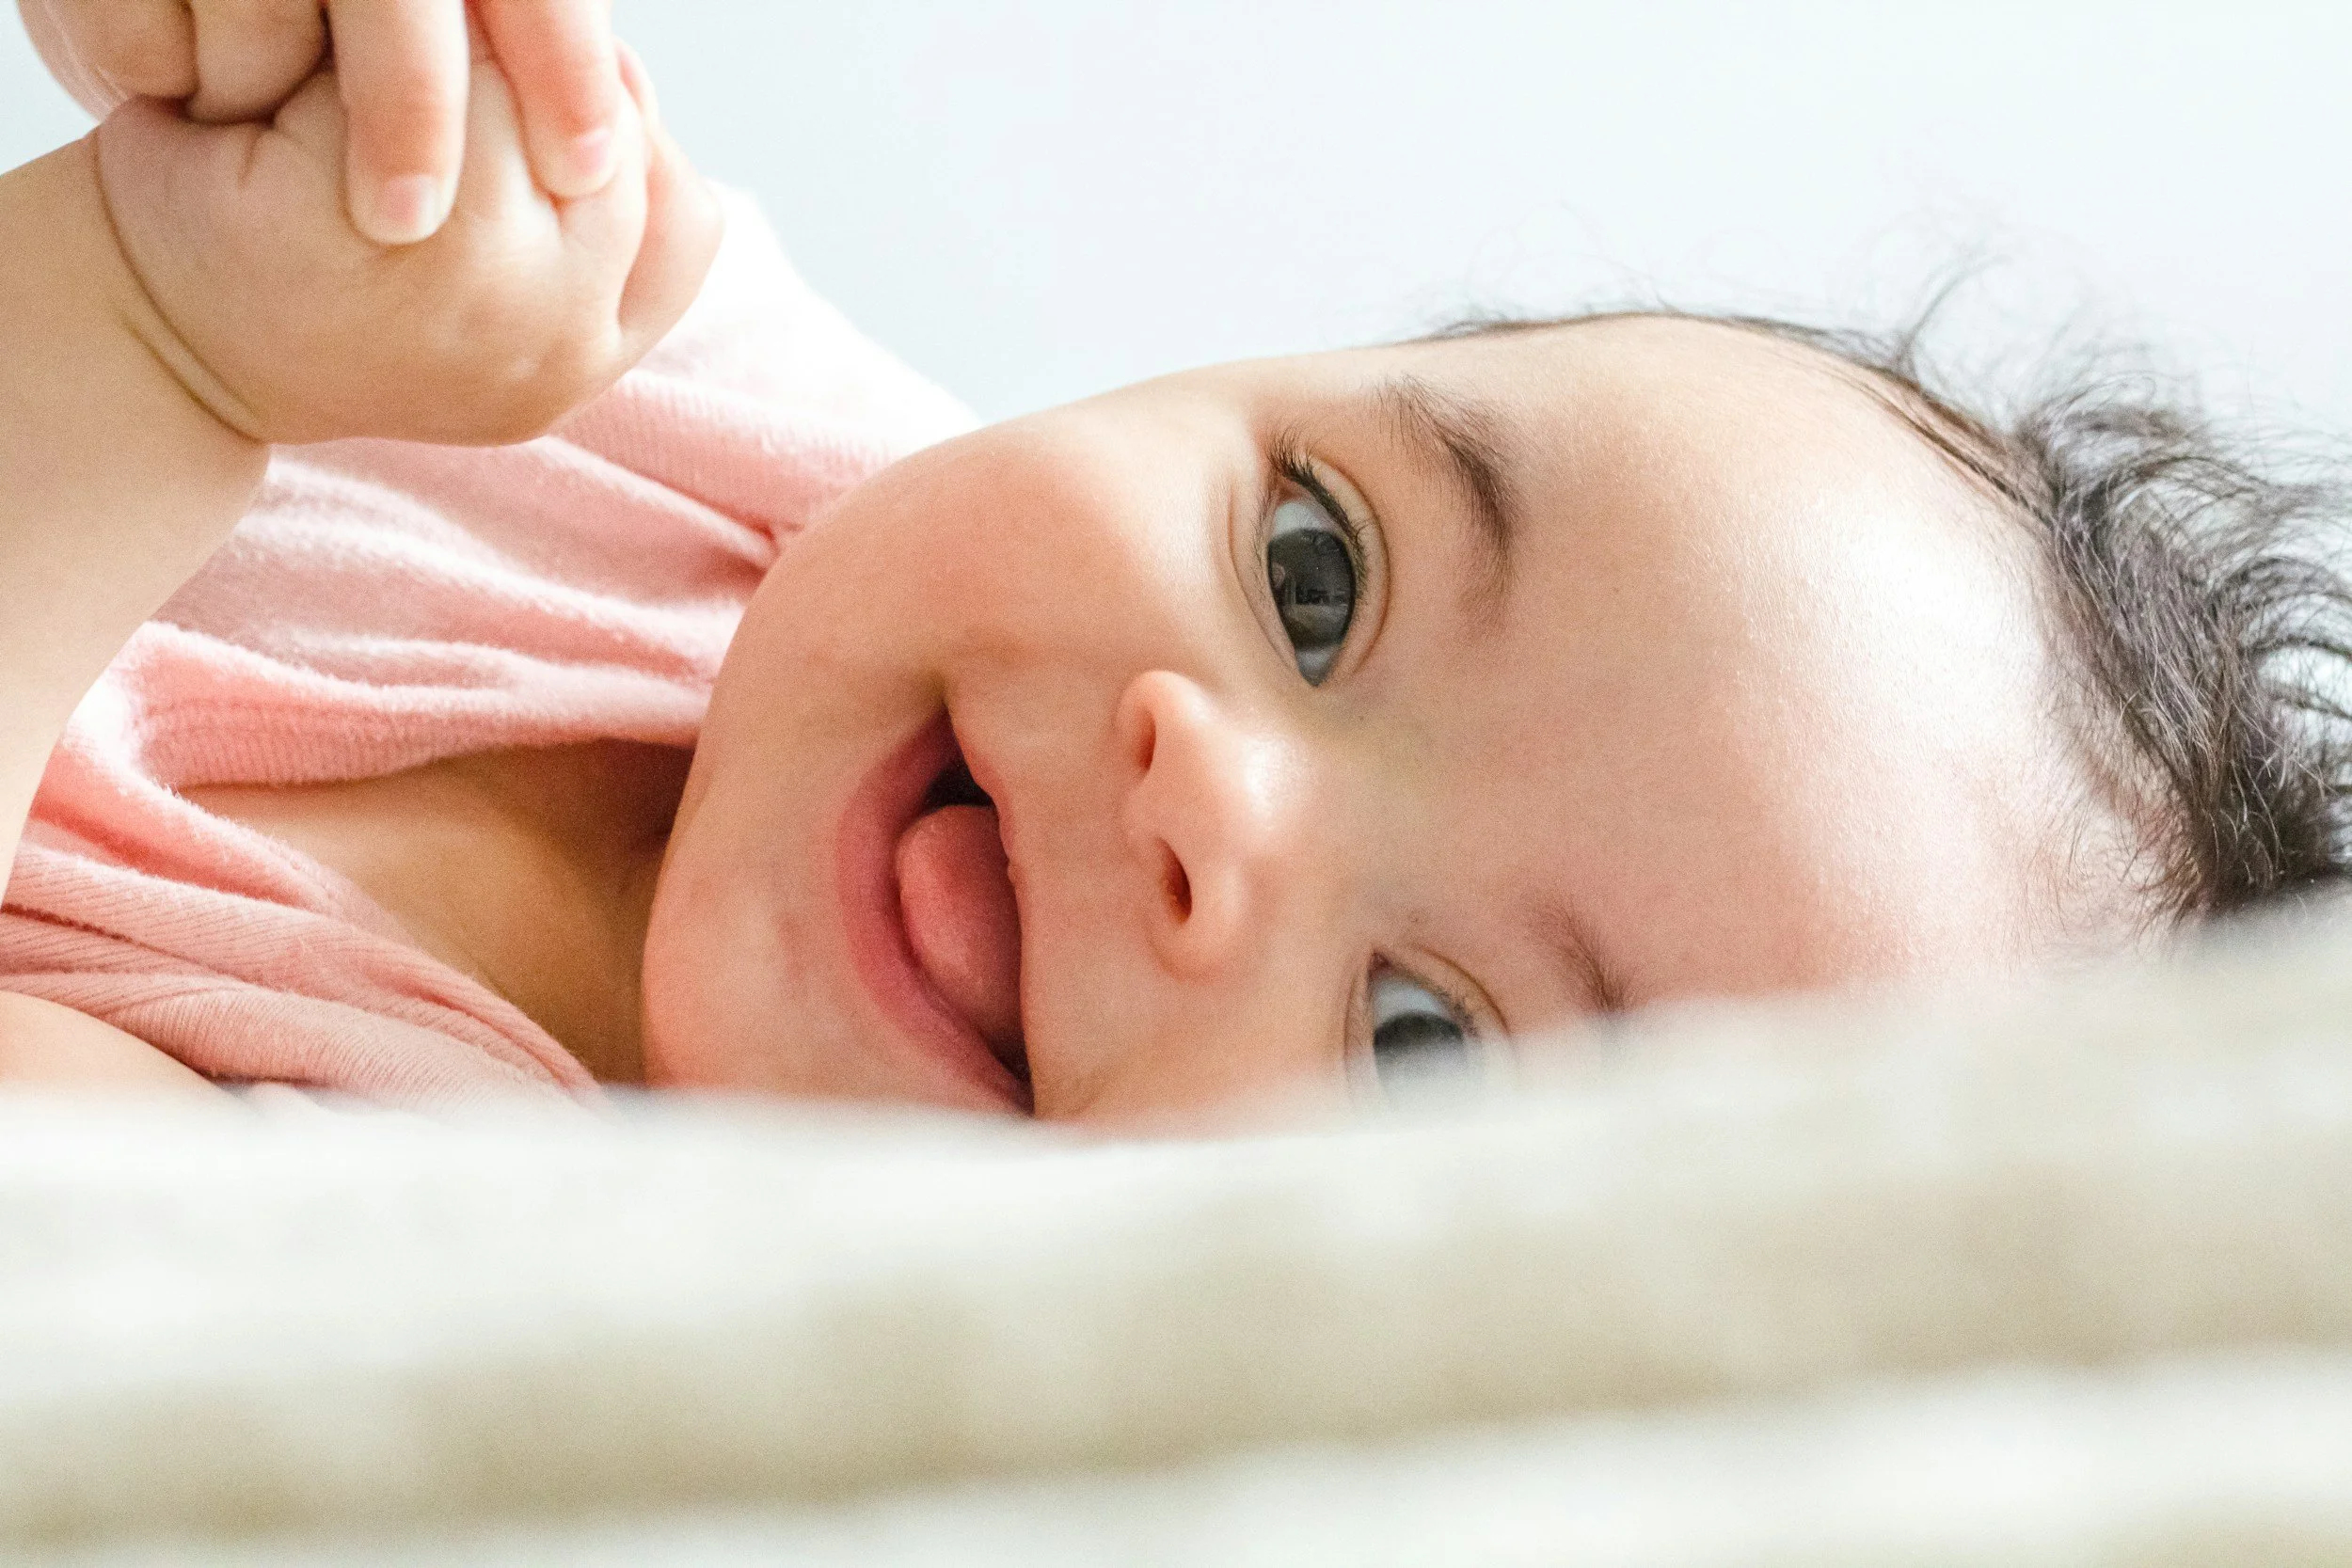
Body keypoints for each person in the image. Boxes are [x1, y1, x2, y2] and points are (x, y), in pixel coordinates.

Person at [2, 2, 2344, 1124]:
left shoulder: (436, 1226)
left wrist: (131, 331)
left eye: (1419, 1041)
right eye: (1313, 572)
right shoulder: (688, 383)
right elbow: (343, 116)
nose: (1206, 790)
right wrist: (288, 71)